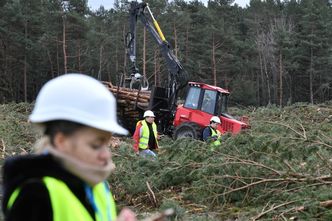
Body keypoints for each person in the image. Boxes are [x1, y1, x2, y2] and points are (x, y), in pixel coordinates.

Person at [2, 74, 137, 221]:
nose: (106, 155)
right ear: (62, 141)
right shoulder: (35, 196)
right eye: (96, 145)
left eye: (106, 144)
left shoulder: (95, 184)